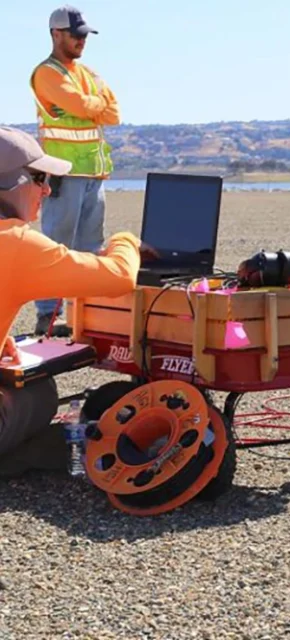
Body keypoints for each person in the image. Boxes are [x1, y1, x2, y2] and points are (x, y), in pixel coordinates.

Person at [0, 126, 141, 477]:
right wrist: (126, 240)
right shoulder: (16, 243)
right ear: (11, 182)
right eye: (39, 178)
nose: (47, 189)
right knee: (39, 392)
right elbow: (119, 275)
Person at [29, 5, 120, 337]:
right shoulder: (47, 73)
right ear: (56, 34)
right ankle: (46, 315)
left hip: (93, 174)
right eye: (76, 34)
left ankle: (84, 315)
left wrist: (91, 106)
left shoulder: (86, 73)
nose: (82, 40)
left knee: (89, 248)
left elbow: (114, 112)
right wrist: (93, 104)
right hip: (64, 174)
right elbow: (89, 106)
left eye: (85, 35)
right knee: (56, 245)